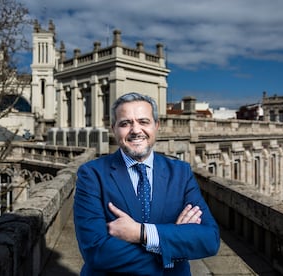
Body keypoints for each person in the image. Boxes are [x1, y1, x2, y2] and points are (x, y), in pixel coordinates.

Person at [73, 92, 220, 275]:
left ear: (156, 126)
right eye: (125, 123)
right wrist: (173, 247)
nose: (135, 130)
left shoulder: (181, 173)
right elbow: (96, 251)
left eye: (143, 122)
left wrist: (141, 233)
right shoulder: (92, 174)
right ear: (113, 129)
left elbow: (209, 240)